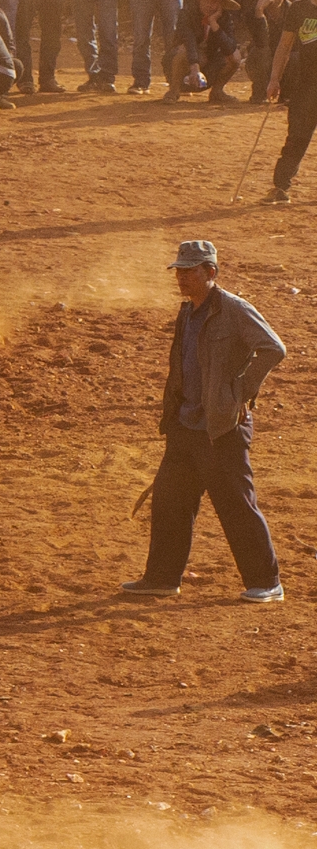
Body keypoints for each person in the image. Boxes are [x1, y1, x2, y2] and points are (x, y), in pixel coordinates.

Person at [124, 240, 285, 604]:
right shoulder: (188, 312)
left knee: (236, 506)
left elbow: (274, 348)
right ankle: (162, 579)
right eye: (179, 271)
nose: (181, 278)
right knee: (169, 502)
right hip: (185, 426)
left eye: (189, 271)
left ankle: (267, 582)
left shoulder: (235, 309)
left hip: (221, 429)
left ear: (210, 272)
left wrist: (239, 391)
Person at [265, 0, 317, 202]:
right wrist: (274, 78)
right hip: (306, 85)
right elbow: (285, 45)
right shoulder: (299, 8)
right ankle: (280, 187)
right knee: (296, 137)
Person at [168, 0, 250, 102]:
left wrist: (214, 24)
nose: (208, 4)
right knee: (184, 51)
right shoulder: (186, 13)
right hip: (185, 66)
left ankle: (217, 92)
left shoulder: (225, 18)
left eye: (214, 1)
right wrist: (195, 67)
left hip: (209, 67)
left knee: (235, 56)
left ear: (221, 5)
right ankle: (173, 91)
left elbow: (230, 48)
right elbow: (189, 41)